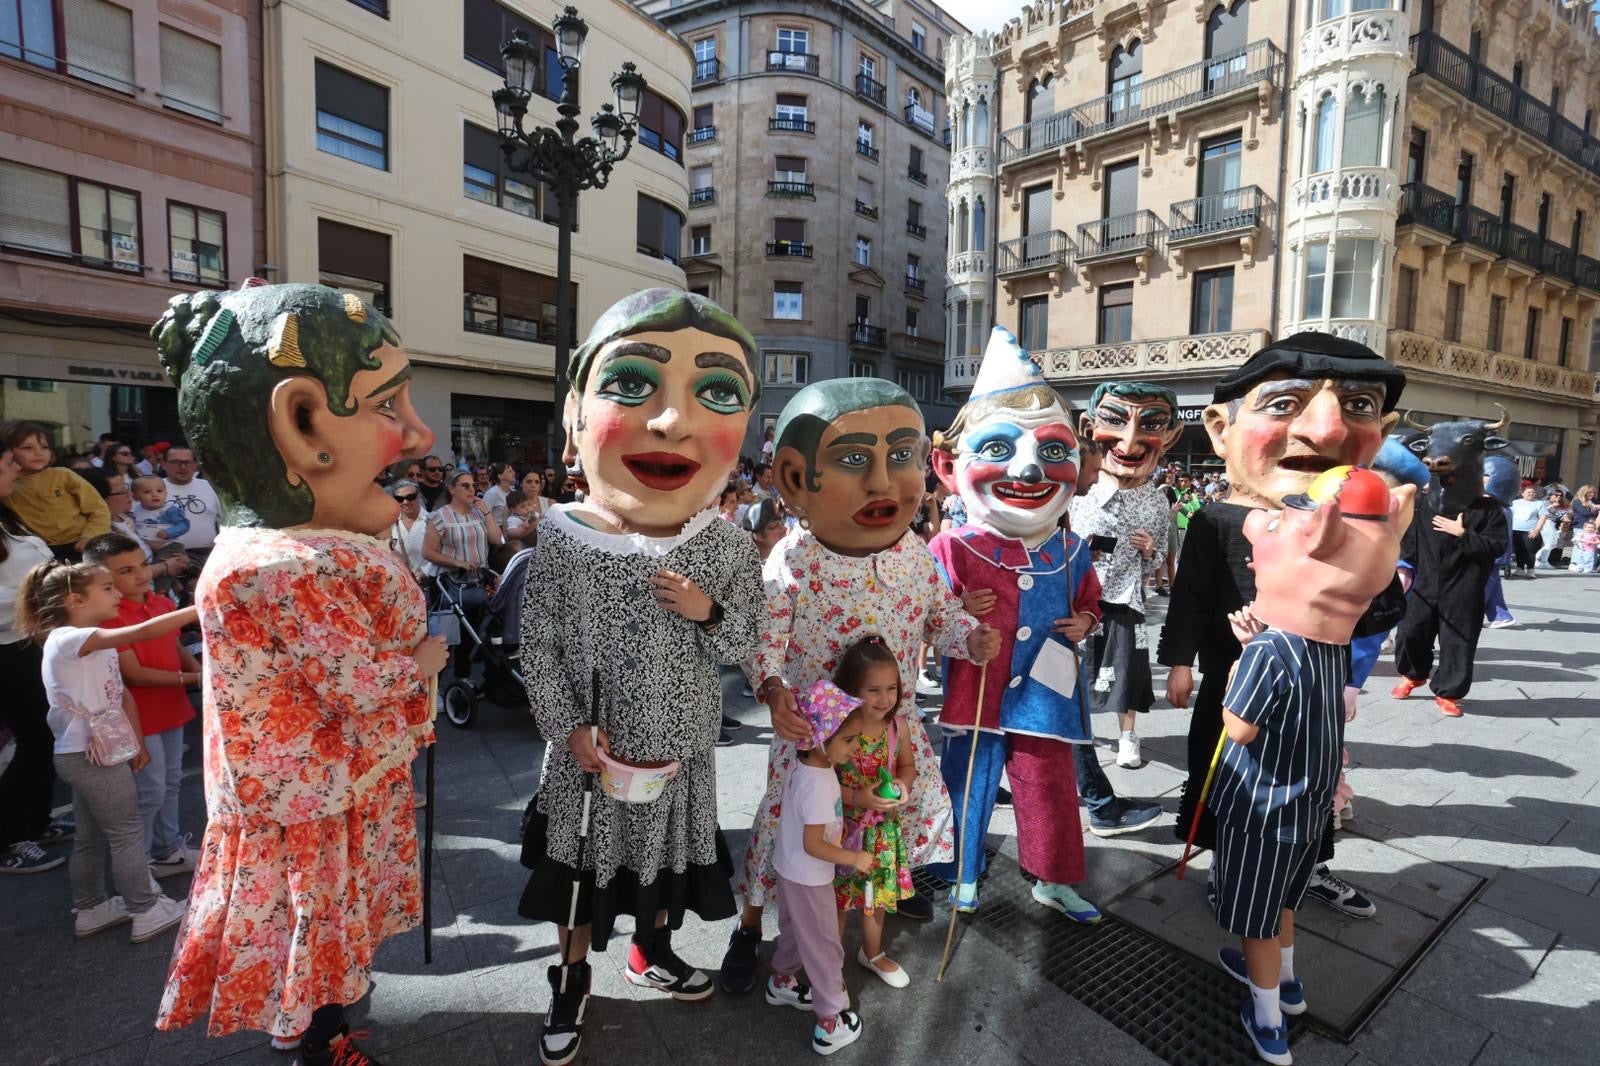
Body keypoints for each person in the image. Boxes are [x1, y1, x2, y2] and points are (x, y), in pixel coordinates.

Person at [151, 283, 445, 1066]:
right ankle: (322, 1042)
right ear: (302, 422)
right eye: (388, 405)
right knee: (313, 933)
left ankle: (327, 1027)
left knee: (318, 932)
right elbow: (366, 682)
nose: (418, 434)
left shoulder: (267, 554)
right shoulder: (289, 566)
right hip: (307, 795)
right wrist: (426, 661)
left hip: (306, 791)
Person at [515, 289, 765, 1066]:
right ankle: (571, 973)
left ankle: (649, 952)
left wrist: (707, 611)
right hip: (590, 755)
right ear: (573, 417)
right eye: (630, 384)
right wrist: (566, 726)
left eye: (717, 393)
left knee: (663, 875)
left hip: (680, 751)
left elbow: (753, 638)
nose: (672, 422)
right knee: (580, 876)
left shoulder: (727, 547)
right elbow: (538, 642)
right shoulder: (561, 538)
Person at [720, 378, 999, 994]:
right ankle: (751, 925)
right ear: (795, 481)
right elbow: (763, 639)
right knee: (788, 829)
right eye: (853, 460)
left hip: (889, 721)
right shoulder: (792, 562)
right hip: (816, 733)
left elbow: (939, 614)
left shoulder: (915, 553)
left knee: (884, 816)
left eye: (902, 456)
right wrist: (772, 688)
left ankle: (883, 893)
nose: (883, 482)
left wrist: (968, 636)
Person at [1161, 333, 1406, 921]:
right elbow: (1191, 596)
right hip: (1231, 681)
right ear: (1220, 430)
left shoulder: (1357, 524)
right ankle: (1229, 863)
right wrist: (1179, 662)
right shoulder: (1217, 520)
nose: (1326, 431)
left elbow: (1378, 609)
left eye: (1358, 406)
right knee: (1224, 774)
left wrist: (1371, 553)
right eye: (1283, 404)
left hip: (1313, 687)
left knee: (1313, 782)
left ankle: (1308, 866)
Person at [1209, 467, 1406, 1066]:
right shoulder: (1328, 644)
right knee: (1286, 899)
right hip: (1308, 802)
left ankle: (1265, 1013)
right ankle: (1287, 984)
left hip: (1260, 805)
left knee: (1256, 918)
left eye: (1279, 524)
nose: (1259, 534)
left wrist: (1239, 666)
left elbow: (1239, 728)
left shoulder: (1269, 649)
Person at [926, 327, 1111, 916]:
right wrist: (956, 621)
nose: (1030, 470)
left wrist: (1085, 620)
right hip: (976, 691)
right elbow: (925, 615)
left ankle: (1053, 877)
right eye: (1000, 449)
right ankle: (962, 869)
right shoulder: (952, 548)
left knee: (1049, 785)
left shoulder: (1070, 547)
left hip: (1045, 692)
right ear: (950, 465)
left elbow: (1091, 600)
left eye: (1052, 451)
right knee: (969, 781)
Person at [16, 559, 196, 939]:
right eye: (107, 588)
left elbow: (118, 692)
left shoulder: (84, 637)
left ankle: (91, 907)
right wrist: (205, 605)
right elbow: (146, 631)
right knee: (126, 831)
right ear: (75, 600)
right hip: (89, 755)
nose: (117, 592)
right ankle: (145, 910)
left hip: (88, 753)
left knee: (92, 835)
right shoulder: (70, 638)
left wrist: (133, 742)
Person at [1070, 381, 1181, 770]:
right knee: (1074, 668)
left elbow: (1155, 567)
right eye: (1114, 421)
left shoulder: (1155, 500)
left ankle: (1127, 736)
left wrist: (1150, 550)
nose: (1130, 443)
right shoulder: (1077, 493)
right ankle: (1076, 733)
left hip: (1127, 599)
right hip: (1081, 597)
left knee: (1128, 670)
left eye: (1150, 426)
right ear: (1089, 427)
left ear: (1170, 437)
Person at [83, 533, 202, 878]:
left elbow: (175, 645)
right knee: (149, 791)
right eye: (126, 571)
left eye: (144, 564)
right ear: (102, 579)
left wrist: (196, 671)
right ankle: (140, 865)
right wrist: (195, 680)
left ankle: (167, 850)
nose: (141, 574)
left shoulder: (161, 603)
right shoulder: (107, 619)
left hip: (171, 706)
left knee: (172, 781)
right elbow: (134, 675)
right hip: (138, 716)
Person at [765, 677, 869, 1055]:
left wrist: (854, 795)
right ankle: (830, 1021)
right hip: (810, 877)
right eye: (848, 740)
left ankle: (782, 979)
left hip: (790, 869)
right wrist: (854, 858)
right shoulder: (821, 782)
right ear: (823, 738)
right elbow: (815, 844)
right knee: (825, 946)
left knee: (796, 930)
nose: (855, 747)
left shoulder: (806, 763)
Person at [1391, 413, 1511, 718]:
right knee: (1410, 632)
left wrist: (1463, 535)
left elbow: (1496, 547)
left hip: (1465, 588)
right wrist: (1404, 569)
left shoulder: (1488, 508)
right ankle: (1414, 674)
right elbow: (1411, 542)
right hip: (1425, 584)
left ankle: (1448, 692)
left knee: (1458, 641)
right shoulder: (1422, 503)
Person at [0, 441, 71, 874]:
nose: (16, 470)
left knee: (47, 735)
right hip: (8, 649)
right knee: (36, 740)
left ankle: (38, 822)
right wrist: (40, 593)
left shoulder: (11, 516)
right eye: (9, 463)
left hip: (32, 641)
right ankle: (9, 838)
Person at [830, 636, 916, 985]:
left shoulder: (899, 727)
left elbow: (907, 767)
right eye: (874, 690)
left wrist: (901, 786)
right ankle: (829, 959)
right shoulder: (839, 729)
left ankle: (872, 952)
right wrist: (856, 798)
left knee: (876, 897)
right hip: (841, 833)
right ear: (852, 689)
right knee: (836, 900)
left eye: (891, 689)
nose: (885, 699)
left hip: (883, 833)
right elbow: (819, 781)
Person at [422, 468, 504, 682]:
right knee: (445, 636)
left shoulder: (478, 512)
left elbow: (496, 539)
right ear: (451, 489)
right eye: (465, 486)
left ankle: (463, 678)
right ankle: (433, 686)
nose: (471, 489)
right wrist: (456, 562)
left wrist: (486, 511)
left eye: (473, 485)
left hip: (474, 581)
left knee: (472, 633)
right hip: (448, 582)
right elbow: (427, 552)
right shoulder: (440, 516)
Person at [2, 421, 111, 561]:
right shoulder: (8, 485)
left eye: (44, 447)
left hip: (81, 541)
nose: (38, 453)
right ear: (8, 452)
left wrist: (91, 536)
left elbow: (98, 509)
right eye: (27, 448)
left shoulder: (63, 475)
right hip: (42, 550)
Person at [161, 446, 221, 568]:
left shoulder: (210, 487)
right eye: (176, 462)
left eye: (187, 462)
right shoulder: (153, 488)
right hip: (170, 558)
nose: (183, 467)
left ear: (195, 465)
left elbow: (226, 521)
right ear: (164, 464)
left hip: (209, 556)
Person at [1481, 455, 1520, 629]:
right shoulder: (1499, 507)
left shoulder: (1499, 509)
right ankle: (1501, 615)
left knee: (1483, 584)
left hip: (1492, 553)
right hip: (1493, 552)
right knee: (1493, 584)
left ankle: (1471, 612)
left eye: (1484, 478)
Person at [131, 476, 192, 546]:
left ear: (166, 493)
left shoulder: (170, 510)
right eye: (147, 492)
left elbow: (184, 525)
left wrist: (168, 532)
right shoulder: (136, 510)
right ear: (135, 497)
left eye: (159, 491)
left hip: (168, 545)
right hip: (145, 545)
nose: (154, 494)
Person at [388, 479, 428, 575]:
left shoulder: (433, 521)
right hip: (402, 583)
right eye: (399, 499)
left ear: (419, 496)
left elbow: (444, 553)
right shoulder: (389, 524)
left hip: (430, 584)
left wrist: (424, 572)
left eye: (410, 497)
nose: (405, 502)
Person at [1532, 488, 1572, 570]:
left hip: (1554, 524)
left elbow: (1562, 516)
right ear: (1550, 495)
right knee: (1549, 543)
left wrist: (1566, 518)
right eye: (1556, 495)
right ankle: (1540, 561)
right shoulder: (1544, 503)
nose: (1558, 497)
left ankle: (1539, 560)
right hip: (1546, 523)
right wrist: (1552, 506)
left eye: (1560, 495)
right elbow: (1538, 512)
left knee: (1553, 544)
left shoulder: (1561, 505)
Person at [1508, 485, 1544, 576]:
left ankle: (1530, 569)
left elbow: (1543, 517)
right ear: (1522, 493)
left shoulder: (1539, 503)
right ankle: (1520, 568)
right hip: (1515, 530)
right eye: (1529, 492)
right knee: (1518, 550)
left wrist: (1537, 530)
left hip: (1530, 531)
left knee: (1530, 550)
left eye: (1533, 492)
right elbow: (1509, 515)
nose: (1531, 494)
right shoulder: (1515, 502)